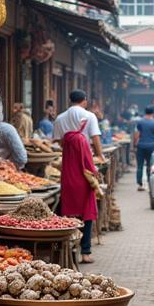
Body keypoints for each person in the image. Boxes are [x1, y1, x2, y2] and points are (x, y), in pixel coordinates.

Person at [55, 106, 99, 264]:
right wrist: (95, 172)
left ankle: (69, 248)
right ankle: (85, 253)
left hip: (68, 181)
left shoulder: (66, 138)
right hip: (82, 183)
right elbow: (87, 162)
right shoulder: (81, 139)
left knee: (68, 215)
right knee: (87, 215)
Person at [53, 90, 102, 159]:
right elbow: (95, 137)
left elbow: (57, 141)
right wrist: (100, 155)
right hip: (85, 157)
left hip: (66, 158)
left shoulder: (59, 118)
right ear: (85, 101)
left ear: (70, 101)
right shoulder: (90, 116)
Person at [132, 106, 154, 191]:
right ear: (153, 113)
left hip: (141, 146)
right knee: (150, 165)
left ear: (145, 112)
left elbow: (137, 134)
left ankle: (140, 185)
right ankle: (149, 184)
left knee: (140, 166)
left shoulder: (140, 122)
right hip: (151, 147)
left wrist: (135, 144)